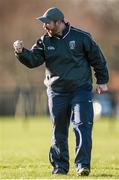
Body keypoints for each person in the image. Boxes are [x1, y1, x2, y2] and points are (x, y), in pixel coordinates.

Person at [13, 7, 109, 176]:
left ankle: (82, 165)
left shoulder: (82, 37)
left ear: (59, 22)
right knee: (59, 130)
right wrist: (21, 52)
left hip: (81, 90)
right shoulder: (44, 41)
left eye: (47, 23)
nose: (44, 27)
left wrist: (102, 81)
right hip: (57, 92)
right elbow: (33, 60)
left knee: (82, 126)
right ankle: (60, 168)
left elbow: (98, 59)